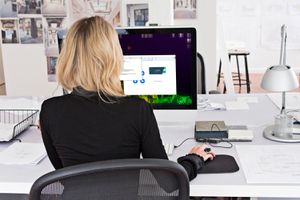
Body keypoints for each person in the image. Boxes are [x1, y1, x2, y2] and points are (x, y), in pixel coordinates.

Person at [39, 16, 215, 181]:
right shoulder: (137, 109)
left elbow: (63, 173)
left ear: (68, 58)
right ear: (113, 57)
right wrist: (194, 159)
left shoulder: (49, 110)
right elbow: (167, 180)